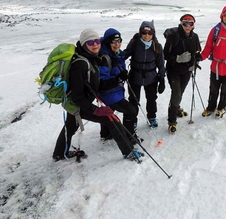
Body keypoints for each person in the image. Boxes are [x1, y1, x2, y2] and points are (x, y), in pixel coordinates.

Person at [52, 28, 143, 162]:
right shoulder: (81, 64)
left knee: (71, 126)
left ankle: (59, 153)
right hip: (77, 103)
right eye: (90, 42)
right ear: (83, 44)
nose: (95, 44)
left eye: (96, 41)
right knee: (110, 119)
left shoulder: (90, 57)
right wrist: (96, 110)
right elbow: (78, 96)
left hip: (75, 101)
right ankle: (128, 151)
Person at [98, 28, 141, 143]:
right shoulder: (104, 58)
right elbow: (102, 83)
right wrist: (119, 78)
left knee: (109, 111)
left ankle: (106, 134)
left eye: (119, 41)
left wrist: (134, 42)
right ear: (108, 42)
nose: (117, 44)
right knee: (131, 111)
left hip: (115, 91)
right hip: (109, 93)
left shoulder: (116, 53)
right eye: (113, 41)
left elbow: (123, 55)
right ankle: (129, 137)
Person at [123, 21, 165, 128]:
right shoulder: (135, 43)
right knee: (134, 100)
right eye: (144, 33)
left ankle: (152, 117)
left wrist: (162, 79)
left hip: (151, 78)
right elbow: (124, 55)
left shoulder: (157, 46)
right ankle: (133, 119)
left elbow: (161, 64)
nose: (147, 36)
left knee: (151, 99)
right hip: (135, 76)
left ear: (153, 34)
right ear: (140, 32)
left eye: (150, 33)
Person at [164, 14, 201, 133]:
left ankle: (176, 108)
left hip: (186, 70)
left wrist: (195, 59)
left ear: (194, 25)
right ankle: (172, 121)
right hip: (173, 70)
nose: (188, 26)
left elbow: (197, 50)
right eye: (185, 23)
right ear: (181, 23)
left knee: (180, 92)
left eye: (191, 23)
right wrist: (178, 58)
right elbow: (165, 55)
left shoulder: (194, 37)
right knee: (176, 93)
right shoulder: (173, 37)